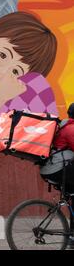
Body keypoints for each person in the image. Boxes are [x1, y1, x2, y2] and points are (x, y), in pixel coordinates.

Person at [53, 103, 74, 248]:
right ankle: (71, 237)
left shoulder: (66, 126)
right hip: (63, 172)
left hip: (63, 171)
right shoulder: (71, 129)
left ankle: (72, 237)